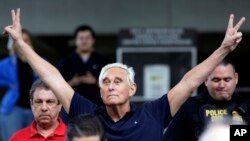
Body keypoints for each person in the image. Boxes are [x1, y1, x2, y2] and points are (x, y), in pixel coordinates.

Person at [4, 8, 245, 141]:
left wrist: (223, 48)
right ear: (100, 90)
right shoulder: (88, 113)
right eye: (105, 82)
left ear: (132, 89)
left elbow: (189, 80)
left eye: (117, 81)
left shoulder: (154, 113)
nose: (110, 86)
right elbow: (53, 78)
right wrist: (22, 45)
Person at [164, 60, 250, 141]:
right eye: (216, 80)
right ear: (206, 80)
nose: (222, 85)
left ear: (236, 78)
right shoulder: (190, 107)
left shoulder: (247, 107)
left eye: (227, 80)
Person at [0, 29, 38, 141]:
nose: (24, 43)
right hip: (13, 108)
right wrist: (8, 84)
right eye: (20, 40)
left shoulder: (40, 62)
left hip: (36, 109)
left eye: (26, 40)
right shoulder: (6, 63)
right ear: (14, 44)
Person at [57, 25, 107, 106]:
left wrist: (94, 81)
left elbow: (110, 86)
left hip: (97, 106)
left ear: (93, 40)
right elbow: (56, 86)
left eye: (87, 38)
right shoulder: (65, 62)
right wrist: (73, 82)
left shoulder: (102, 61)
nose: (84, 41)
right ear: (75, 40)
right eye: (81, 38)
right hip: (72, 106)